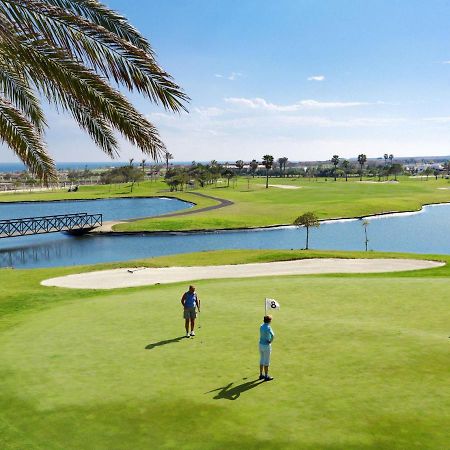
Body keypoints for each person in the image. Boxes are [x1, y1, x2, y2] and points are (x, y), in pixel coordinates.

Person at [259, 315, 275, 381]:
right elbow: (273, 335)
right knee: (267, 361)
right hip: (266, 345)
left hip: (260, 344)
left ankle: (261, 375)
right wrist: (270, 341)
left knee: (262, 359)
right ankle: (266, 376)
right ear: (269, 321)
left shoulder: (261, 326)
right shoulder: (268, 327)